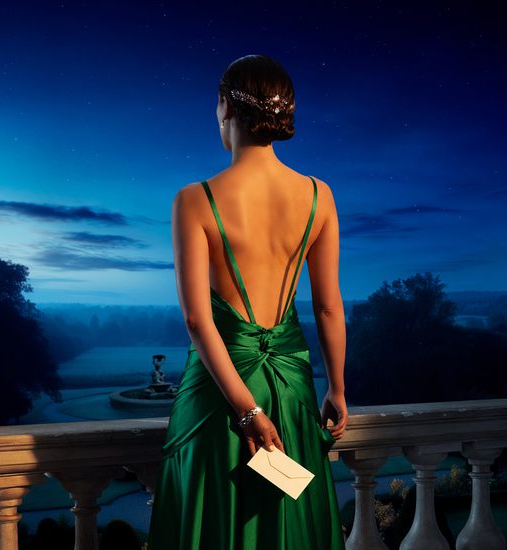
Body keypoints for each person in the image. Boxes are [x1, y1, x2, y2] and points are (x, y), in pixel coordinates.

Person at [146, 54, 349, 549]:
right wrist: (338, 389)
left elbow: (198, 320)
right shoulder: (320, 196)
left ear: (225, 108)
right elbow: (328, 307)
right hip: (294, 394)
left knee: (214, 528)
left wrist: (246, 412)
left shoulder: (193, 199)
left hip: (222, 397)